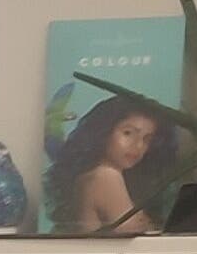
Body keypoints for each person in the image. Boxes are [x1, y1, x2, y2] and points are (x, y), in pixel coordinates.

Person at [46, 95, 180, 235]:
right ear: (103, 132)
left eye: (147, 139)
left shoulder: (88, 176)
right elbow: (140, 241)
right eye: (128, 133)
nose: (138, 145)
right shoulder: (106, 176)